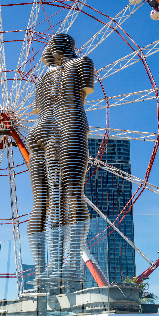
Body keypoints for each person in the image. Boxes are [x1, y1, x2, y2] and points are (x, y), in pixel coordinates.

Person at [26, 33, 94, 291]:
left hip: (39, 131)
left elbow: (39, 108)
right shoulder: (82, 63)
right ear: (70, 46)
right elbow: (84, 91)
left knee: (42, 202)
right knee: (71, 194)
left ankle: (44, 275)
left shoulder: (42, 78)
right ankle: (70, 269)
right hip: (67, 125)